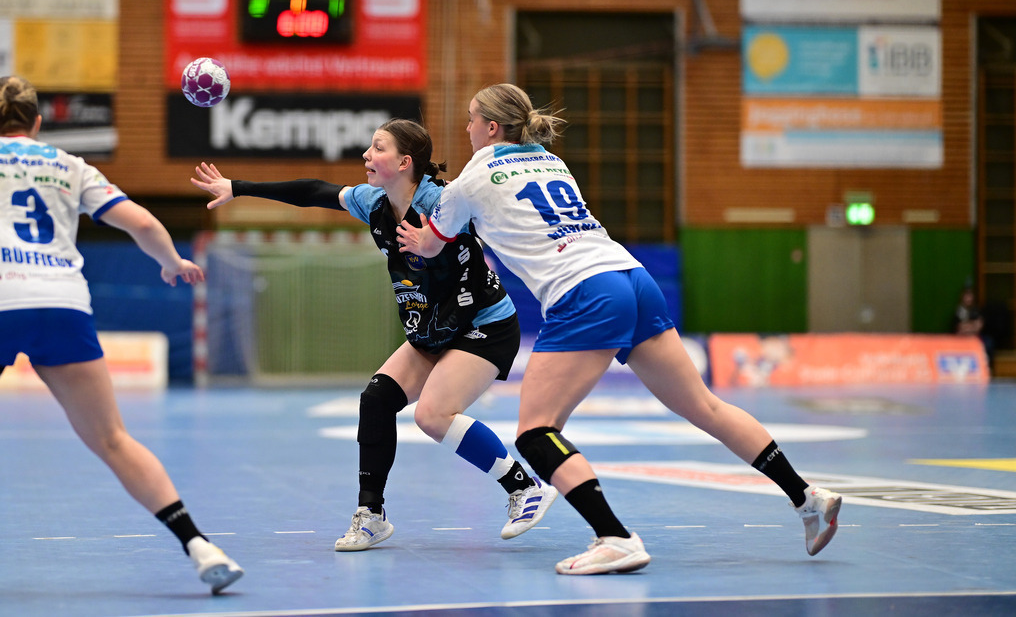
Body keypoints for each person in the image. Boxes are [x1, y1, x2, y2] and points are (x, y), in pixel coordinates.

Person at [397, 83, 844, 575]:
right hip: (633, 278)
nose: (466, 128)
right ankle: (808, 497)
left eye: (471, 119)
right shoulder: (549, 159)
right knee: (706, 407)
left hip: (584, 292)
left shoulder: (470, 179)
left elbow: (436, 242)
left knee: (535, 433)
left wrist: (416, 239)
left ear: (491, 128)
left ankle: (615, 538)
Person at [190, 118, 557, 551]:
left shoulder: (444, 203)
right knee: (377, 398)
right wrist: (239, 187)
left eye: (377, 147)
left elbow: (488, 219)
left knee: (433, 415)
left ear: (404, 162)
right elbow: (313, 191)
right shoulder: (374, 203)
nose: (366, 154)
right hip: (432, 331)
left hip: (484, 325)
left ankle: (524, 486)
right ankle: (372, 515)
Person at [0, 75, 243, 594]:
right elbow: (144, 225)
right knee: (112, 439)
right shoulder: (68, 165)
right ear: (37, 123)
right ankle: (201, 546)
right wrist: (172, 262)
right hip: (61, 303)